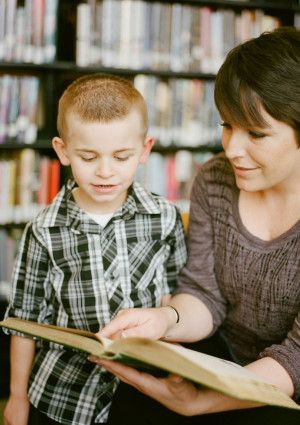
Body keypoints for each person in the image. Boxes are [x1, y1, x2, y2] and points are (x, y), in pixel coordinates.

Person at [89, 27, 300, 424]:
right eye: (227, 125)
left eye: (256, 133)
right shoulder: (216, 180)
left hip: (286, 388)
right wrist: (164, 319)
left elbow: (295, 360)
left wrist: (202, 400)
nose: (233, 149)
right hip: (223, 357)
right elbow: (205, 294)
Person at [3, 74, 187, 425]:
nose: (106, 172)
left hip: (146, 391)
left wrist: (178, 365)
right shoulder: (43, 230)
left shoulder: (164, 216)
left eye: (121, 157)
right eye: (89, 157)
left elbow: (177, 296)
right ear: (63, 151)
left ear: (145, 150)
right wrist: (16, 396)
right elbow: (23, 322)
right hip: (63, 396)